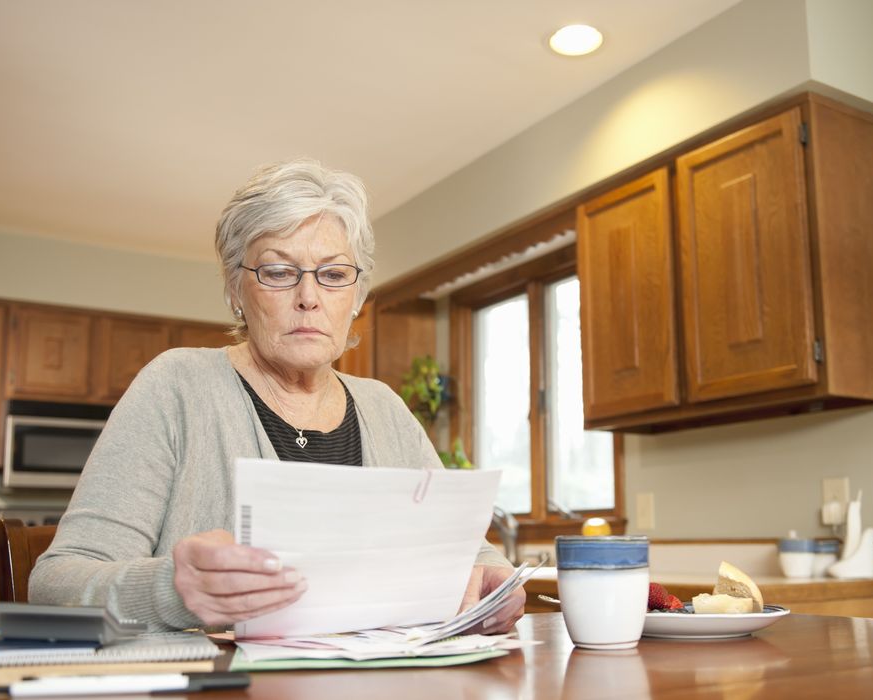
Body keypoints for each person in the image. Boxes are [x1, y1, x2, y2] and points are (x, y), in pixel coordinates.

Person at [29, 158, 524, 633]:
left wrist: (495, 584)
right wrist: (171, 590)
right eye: (279, 272)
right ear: (235, 290)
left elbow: (468, 554)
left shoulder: (384, 408)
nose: (309, 297)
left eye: (333, 275)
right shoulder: (176, 386)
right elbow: (55, 582)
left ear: (356, 297)